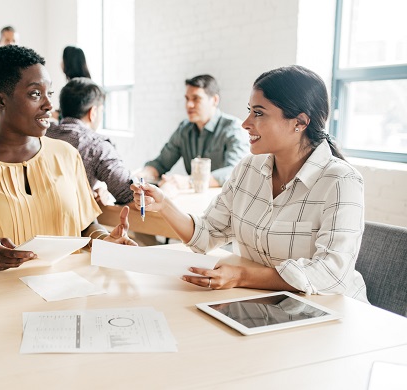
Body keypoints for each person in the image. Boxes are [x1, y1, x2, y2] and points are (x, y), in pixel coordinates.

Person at [131, 65, 368, 302]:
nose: (245, 123)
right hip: (266, 303)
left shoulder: (340, 181)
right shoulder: (248, 169)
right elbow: (207, 234)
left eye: (259, 113)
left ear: (300, 122)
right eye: (250, 111)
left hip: (330, 310)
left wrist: (242, 276)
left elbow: (332, 274)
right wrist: (164, 205)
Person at [0, 45, 136, 270]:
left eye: (49, 93)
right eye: (35, 94)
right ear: (0, 101)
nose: (49, 105)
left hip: (69, 296)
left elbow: (85, 225)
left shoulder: (67, 156)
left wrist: (105, 241)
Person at [136, 75, 249, 191]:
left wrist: (190, 181)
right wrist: (142, 175)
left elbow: (236, 172)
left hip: (223, 201)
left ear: (215, 100)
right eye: (187, 99)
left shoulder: (234, 129)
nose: (189, 105)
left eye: (196, 98)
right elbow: (161, 163)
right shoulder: (184, 129)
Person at [46, 77, 133, 205]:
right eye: (101, 111)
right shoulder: (97, 146)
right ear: (93, 112)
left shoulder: (42, 133)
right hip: (75, 223)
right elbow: (128, 194)